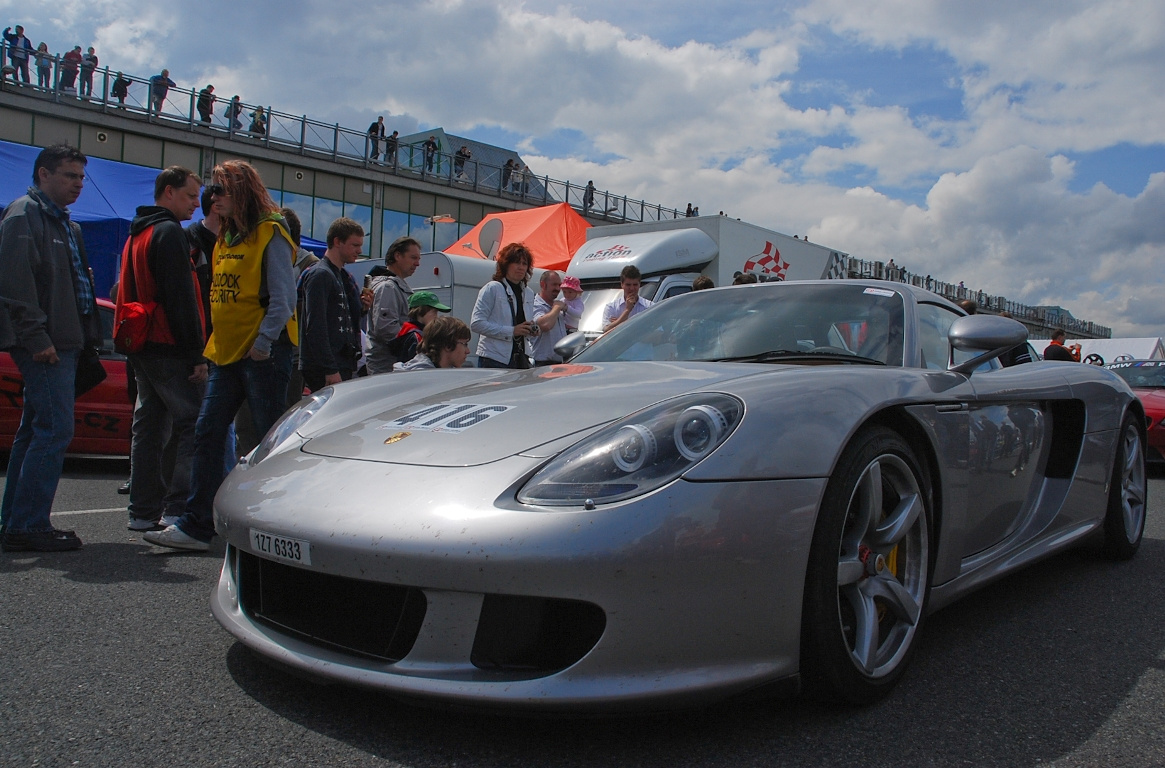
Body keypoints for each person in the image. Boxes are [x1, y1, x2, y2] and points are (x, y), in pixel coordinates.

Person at [144, 160, 297, 552]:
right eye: (212, 189)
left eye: (222, 189)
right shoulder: (226, 235)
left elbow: (284, 299)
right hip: (227, 353)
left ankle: (271, 523)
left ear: (243, 191)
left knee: (265, 439)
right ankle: (197, 525)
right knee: (207, 432)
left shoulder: (271, 231)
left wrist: (263, 343)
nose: (214, 197)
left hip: (261, 353)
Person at [0, 144, 100, 552]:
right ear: (43, 174)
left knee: (35, 431)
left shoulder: (66, 224)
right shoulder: (25, 214)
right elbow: (14, 283)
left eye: (80, 176)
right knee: (54, 430)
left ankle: (16, 521)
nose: (77, 184)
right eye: (68, 175)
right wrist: (37, 339)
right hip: (47, 344)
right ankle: (28, 525)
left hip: (63, 341)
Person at [116, 167, 208, 532]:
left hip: (141, 341)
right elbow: (180, 298)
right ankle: (176, 509)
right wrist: (196, 354)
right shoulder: (169, 232)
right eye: (190, 197)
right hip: (168, 344)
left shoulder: (138, 231)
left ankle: (141, 511)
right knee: (191, 422)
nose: (195, 206)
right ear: (169, 193)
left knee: (149, 425)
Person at [297, 217, 364, 392]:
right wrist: (330, 369)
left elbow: (339, 317)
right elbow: (315, 326)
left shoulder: (340, 276)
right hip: (326, 366)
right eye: (354, 245)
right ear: (337, 242)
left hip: (339, 361)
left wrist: (362, 307)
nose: (359, 250)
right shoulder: (321, 274)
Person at [471, 242, 537, 369]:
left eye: (524, 264)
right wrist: (511, 331)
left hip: (521, 357)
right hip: (494, 358)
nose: (521, 267)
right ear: (506, 265)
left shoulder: (528, 293)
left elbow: (523, 324)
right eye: (516, 262)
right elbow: (476, 323)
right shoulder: (492, 288)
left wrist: (532, 330)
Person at [365, 236, 421, 374]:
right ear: (397, 256)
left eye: (418, 259)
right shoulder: (387, 287)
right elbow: (386, 329)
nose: (417, 263)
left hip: (392, 365)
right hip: (387, 367)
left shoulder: (393, 286)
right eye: (413, 258)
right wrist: (417, 341)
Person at [387, 290, 451, 368]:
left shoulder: (408, 330)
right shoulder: (416, 336)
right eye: (434, 312)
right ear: (420, 311)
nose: (436, 317)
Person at [395, 316, 471, 371]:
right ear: (448, 345)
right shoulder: (422, 378)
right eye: (464, 344)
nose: (468, 351)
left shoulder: (442, 372)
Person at [531, 270, 568, 366]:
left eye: (559, 285)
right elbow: (545, 325)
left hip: (561, 363)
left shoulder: (557, 305)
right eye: (554, 285)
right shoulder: (535, 305)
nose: (557, 288)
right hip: (543, 364)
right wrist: (557, 308)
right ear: (543, 285)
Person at [602, 265, 653, 332]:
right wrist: (627, 310)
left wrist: (619, 322)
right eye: (628, 285)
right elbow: (606, 331)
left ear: (639, 285)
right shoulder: (611, 307)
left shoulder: (650, 307)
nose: (632, 288)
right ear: (622, 285)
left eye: (635, 285)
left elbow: (657, 334)